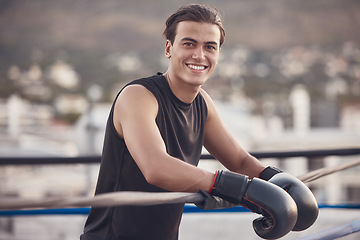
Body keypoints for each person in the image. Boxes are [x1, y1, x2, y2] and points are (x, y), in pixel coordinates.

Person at [80, 4, 318, 240]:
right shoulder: (138, 96)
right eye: (189, 43)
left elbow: (238, 160)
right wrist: (242, 189)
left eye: (210, 47)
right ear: (168, 48)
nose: (199, 55)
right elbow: (156, 167)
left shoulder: (202, 103)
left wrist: (276, 179)